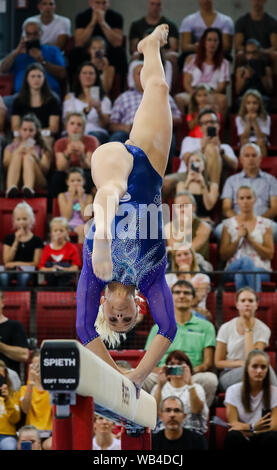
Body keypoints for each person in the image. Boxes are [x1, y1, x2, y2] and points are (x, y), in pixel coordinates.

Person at [76, 25, 178, 394]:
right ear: (138, 308)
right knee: (160, 89)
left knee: (112, 190)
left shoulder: (94, 278)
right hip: (151, 167)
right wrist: (135, 375)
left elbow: (84, 330)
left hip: (115, 166)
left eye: (113, 319)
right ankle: (150, 45)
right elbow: (168, 329)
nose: (119, 316)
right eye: (126, 320)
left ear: (104, 306)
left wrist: (111, 374)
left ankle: (102, 233)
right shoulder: (151, 279)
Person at [144, 279, 218, 407]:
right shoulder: (158, 327)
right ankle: (148, 419)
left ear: (194, 299)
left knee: (210, 379)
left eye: (186, 293)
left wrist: (189, 372)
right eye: (177, 292)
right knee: (140, 379)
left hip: (192, 375)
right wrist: (163, 372)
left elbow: (207, 363)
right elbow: (148, 361)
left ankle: (198, 417)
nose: (182, 296)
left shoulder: (206, 326)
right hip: (163, 375)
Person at [108, 60, 181, 164]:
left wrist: (160, 121)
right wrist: (125, 128)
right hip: (129, 132)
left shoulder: (162, 94)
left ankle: (164, 174)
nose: (143, 75)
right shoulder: (123, 98)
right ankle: (116, 170)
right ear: (133, 77)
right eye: (139, 73)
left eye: (145, 72)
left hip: (155, 132)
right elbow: (112, 124)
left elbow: (178, 118)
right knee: (117, 137)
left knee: (168, 137)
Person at [215, 287, 277, 392]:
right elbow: (218, 362)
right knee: (259, 369)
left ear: (256, 305)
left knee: (260, 368)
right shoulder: (226, 327)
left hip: (255, 371)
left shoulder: (264, 329)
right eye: (243, 301)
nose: (247, 304)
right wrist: (240, 363)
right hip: (229, 374)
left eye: (251, 301)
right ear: (237, 305)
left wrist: (248, 329)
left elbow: (252, 358)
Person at [164, 108, 237, 191]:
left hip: (208, 178)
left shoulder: (225, 147)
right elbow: (187, 160)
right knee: (165, 183)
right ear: (201, 127)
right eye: (205, 123)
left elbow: (234, 166)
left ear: (218, 126)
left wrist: (220, 151)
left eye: (212, 122)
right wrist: (202, 148)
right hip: (187, 174)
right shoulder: (189, 140)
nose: (209, 125)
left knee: (212, 148)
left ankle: (213, 191)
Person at [220, 185, 274, 292]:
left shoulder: (266, 224)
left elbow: (270, 254)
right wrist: (238, 238)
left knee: (240, 274)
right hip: (233, 267)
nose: (245, 201)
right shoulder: (228, 224)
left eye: (249, 198)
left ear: (255, 200)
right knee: (246, 261)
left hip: (260, 269)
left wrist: (251, 240)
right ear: (237, 201)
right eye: (242, 198)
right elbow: (223, 255)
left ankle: (243, 307)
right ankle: (256, 303)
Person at [219, 143, 277, 241]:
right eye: (247, 155)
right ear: (241, 159)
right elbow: (226, 208)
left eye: (254, 155)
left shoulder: (271, 180)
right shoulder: (231, 181)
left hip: (263, 222)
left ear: (260, 159)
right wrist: (240, 221)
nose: (251, 158)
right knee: (219, 231)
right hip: (237, 222)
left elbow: (274, 208)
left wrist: (257, 222)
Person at [224, 349, 277, 450]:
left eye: (263, 367)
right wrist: (253, 426)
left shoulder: (275, 392)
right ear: (247, 368)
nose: (259, 371)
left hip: (263, 437)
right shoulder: (232, 390)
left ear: (267, 370)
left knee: (272, 437)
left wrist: (252, 431)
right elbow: (233, 424)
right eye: (254, 366)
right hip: (242, 437)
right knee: (233, 436)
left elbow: (274, 426)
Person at [0, 18, 66, 98]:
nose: (31, 37)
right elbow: (2, 69)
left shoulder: (53, 50)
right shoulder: (18, 52)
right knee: (5, 102)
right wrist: (16, 52)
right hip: (21, 95)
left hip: (47, 94)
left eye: (35, 34)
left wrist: (42, 61)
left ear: (40, 34)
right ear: (24, 35)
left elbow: (62, 74)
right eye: (28, 34)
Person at [152, 350, 209, 435]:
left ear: (188, 367)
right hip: (163, 433)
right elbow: (153, 412)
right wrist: (160, 386)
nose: (175, 367)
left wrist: (189, 383)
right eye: (171, 364)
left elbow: (196, 410)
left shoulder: (197, 388)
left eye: (179, 364)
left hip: (191, 432)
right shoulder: (157, 388)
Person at [175, 28, 230, 117]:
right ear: (204, 42)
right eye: (209, 40)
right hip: (193, 92)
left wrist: (205, 96)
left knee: (223, 99)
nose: (212, 43)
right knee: (179, 98)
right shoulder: (191, 59)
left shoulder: (224, 63)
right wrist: (196, 95)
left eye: (215, 40)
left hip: (212, 93)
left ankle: (217, 126)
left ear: (219, 43)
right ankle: (185, 127)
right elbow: (186, 82)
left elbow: (222, 86)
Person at [74, 0, 127, 80]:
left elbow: (118, 42)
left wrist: (102, 22)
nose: (101, 6)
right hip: (87, 52)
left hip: (108, 52)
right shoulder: (82, 17)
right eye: (97, 3)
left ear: (109, 3)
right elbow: (79, 42)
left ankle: (122, 88)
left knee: (120, 53)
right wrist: (93, 22)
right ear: (90, 3)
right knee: (75, 53)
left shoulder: (116, 17)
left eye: (104, 3)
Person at [3, 113, 52, 198]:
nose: (28, 133)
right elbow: (5, 164)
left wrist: (35, 157)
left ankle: (28, 190)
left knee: (28, 158)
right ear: (20, 131)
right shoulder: (11, 146)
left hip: (37, 180)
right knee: (17, 156)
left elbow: (45, 170)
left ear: (36, 131)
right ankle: (11, 189)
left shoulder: (43, 147)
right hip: (16, 178)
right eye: (25, 130)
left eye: (31, 130)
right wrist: (17, 151)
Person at [51, 112, 99, 196]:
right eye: (72, 123)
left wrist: (82, 156)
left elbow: (90, 166)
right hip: (67, 172)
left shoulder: (92, 141)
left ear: (83, 128)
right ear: (67, 127)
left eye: (79, 124)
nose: (75, 127)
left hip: (84, 172)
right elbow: (60, 167)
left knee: (89, 175)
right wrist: (67, 153)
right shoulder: (60, 142)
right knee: (57, 177)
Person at [11, 62, 61, 144]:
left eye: (39, 76)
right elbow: (15, 127)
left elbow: (54, 128)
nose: (36, 79)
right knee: (16, 142)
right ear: (27, 79)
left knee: (45, 141)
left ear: (44, 78)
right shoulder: (18, 100)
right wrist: (27, 134)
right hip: (24, 135)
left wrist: (34, 133)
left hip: (43, 136)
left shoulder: (52, 100)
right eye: (33, 76)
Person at [63, 62, 111, 144]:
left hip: (96, 132)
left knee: (91, 137)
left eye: (91, 73)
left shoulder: (104, 99)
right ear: (79, 76)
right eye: (84, 73)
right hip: (74, 131)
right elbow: (67, 121)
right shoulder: (70, 97)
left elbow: (105, 125)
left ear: (96, 77)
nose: (88, 76)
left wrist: (99, 111)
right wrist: (86, 110)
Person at [1, 201, 43, 288]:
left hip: (27, 271)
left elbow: (36, 263)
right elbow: (7, 261)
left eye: (24, 219)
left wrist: (16, 263)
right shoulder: (9, 238)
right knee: (3, 277)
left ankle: (22, 301)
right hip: (11, 271)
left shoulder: (37, 240)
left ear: (31, 220)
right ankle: (6, 300)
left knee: (23, 277)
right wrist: (16, 241)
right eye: (18, 219)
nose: (21, 222)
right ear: (14, 221)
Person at [164, 191, 211, 261]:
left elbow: (189, 250)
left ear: (194, 207)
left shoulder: (204, 227)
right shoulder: (168, 227)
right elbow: (175, 249)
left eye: (186, 205)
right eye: (179, 206)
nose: (182, 209)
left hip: (198, 263)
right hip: (176, 263)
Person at [19, 350, 52, 449]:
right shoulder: (24, 389)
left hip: (50, 434)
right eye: (34, 365)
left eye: (40, 365)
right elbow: (25, 408)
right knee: (28, 445)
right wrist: (31, 382)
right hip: (31, 434)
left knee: (51, 445)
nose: (37, 368)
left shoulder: (53, 388)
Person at [175, 151, 219, 223]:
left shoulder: (212, 186)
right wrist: (188, 182)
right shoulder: (182, 184)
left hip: (205, 222)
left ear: (204, 165)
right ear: (188, 166)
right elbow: (179, 206)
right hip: (186, 221)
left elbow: (208, 207)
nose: (194, 164)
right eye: (191, 161)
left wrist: (203, 185)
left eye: (197, 161)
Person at [234, 0, 277, 73]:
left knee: (275, 55)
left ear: (264, 1)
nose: (256, 2)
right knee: (239, 55)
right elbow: (238, 45)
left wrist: (260, 51)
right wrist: (251, 52)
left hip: (264, 53)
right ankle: (237, 82)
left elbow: (275, 46)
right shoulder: (241, 21)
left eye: (259, 0)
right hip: (247, 52)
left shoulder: (272, 22)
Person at [39, 217, 82, 286]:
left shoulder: (72, 248)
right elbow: (41, 268)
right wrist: (52, 270)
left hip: (66, 279)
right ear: (51, 233)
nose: (58, 233)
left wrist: (63, 269)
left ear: (67, 232)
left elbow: (75, 268)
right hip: (51, 280)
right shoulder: (47, 248)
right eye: (55, 230)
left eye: (61, 231)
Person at [234, 38, 273, 110]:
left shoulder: (266, 69)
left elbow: (269, 91)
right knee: (239, 102)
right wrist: (245, 78)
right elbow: (237, 91)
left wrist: (261, 74)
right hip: (245, 98)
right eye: (248, 53)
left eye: (254, 53)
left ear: (259, 53)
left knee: (268, 102)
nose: (251, 56)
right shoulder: (240, 69)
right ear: (245, 55)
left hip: (261, 98)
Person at [57, 167, 94, 244]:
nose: (75, 183)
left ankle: (80, 254)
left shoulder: (88, 197)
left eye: (79, 180)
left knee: (83, 229)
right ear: (67, 182)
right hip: (66, 224)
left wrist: (80, 198)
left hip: (81, 225)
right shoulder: (62, 196)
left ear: (83, 181)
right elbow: (66, 217)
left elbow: (85, 218)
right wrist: (71, 197)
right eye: (72, 181)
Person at [0, 291, 29, 378]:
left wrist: (1, 346)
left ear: (2, 302)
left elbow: (24, 355)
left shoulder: (14, 326)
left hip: (8, 381)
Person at [235, 88, 271, 156]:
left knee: (261, 141)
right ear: (244, 104)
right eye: (248, 103)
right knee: (244, 141)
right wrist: (248, 121)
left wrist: (254, 121)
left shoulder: (266, 117)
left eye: (255, 103)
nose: (252, 106)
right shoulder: (239, 118)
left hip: (261, 141)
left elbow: (261, 136)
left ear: (259, 104)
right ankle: (245, 162)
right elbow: (243, 136)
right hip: (246, 140)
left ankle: (263, 162)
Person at [0, 360, 21, 450]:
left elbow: (15, 419)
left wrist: (7, 399)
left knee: (9, 446)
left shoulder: (14, 395)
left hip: (7, 436)